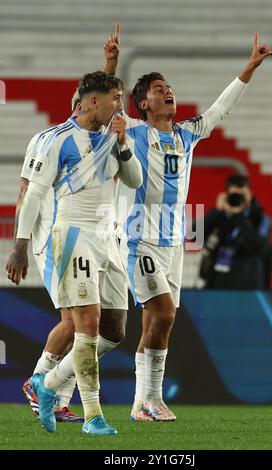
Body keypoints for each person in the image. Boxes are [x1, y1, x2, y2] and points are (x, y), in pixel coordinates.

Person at [116, 32, 272, 421]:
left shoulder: (187, 134)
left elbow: (221, 110)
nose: (168, 92)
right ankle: (153, 397)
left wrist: (249, 67)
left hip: (171, 243)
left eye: (168, 87)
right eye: (158, 89)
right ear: (142, 104)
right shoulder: (133, 132)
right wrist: (111, 64)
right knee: (165, 313)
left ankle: (140, 405)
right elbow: (105, 110)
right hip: (139, 238)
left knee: (156, 319)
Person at [6, 71, 142, 435]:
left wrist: (124, 142)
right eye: (116, 98)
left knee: (113, 331)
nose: (121, 106)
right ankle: (93, 416)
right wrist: (19, 246)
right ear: (93, 102)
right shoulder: (55, 139)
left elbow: (135, 180)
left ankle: (45, 384)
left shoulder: (112, 137)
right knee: (84, 324)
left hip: (108, 239)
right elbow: (31, 194)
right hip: (71, 235)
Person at [198, 173, 272, 289]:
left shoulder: (261, 218)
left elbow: (259, 245)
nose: (238, 199)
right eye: (234, 195)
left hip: (248, 284)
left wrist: (238, 216)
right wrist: (216, 212)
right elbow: (194, 238)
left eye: (242, 195)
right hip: (218, 283)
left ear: (250, 194)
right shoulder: (220, 215)